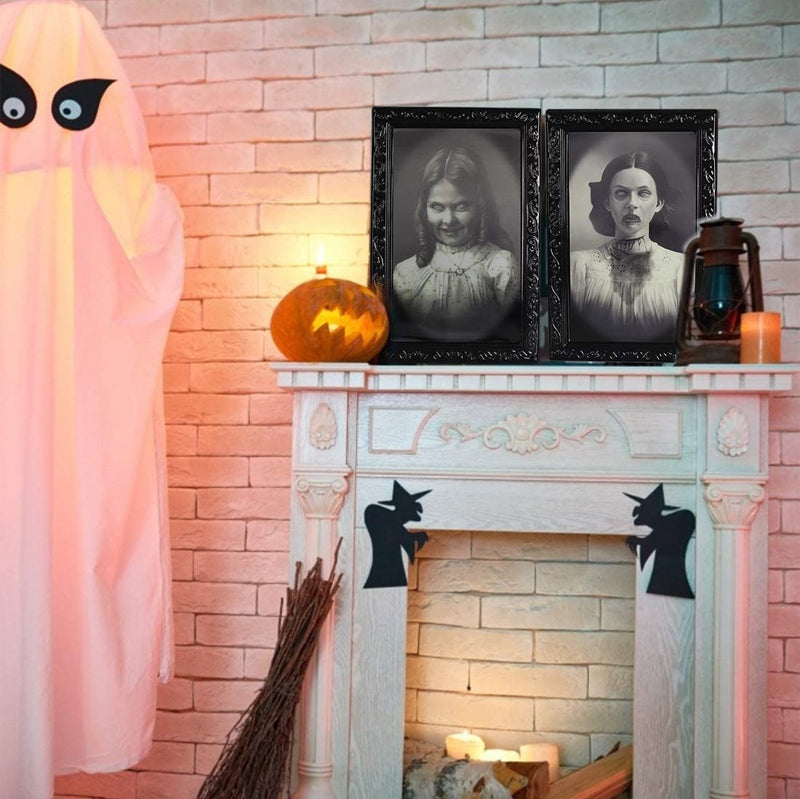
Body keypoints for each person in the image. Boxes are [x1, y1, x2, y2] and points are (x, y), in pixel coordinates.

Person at [392, 145, 519, 342]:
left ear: (481, 206)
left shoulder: (500, 265)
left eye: (461, 206)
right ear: (425, 209)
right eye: (437, 207)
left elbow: (512, 336)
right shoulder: (406, 273)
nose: (448, 220)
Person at [570, 151, 684, 342]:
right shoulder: (578, 265)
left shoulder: (682, 267)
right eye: (621, 193)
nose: (632, 204)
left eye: (643, 193)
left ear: (659, 203)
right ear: (607, 202)